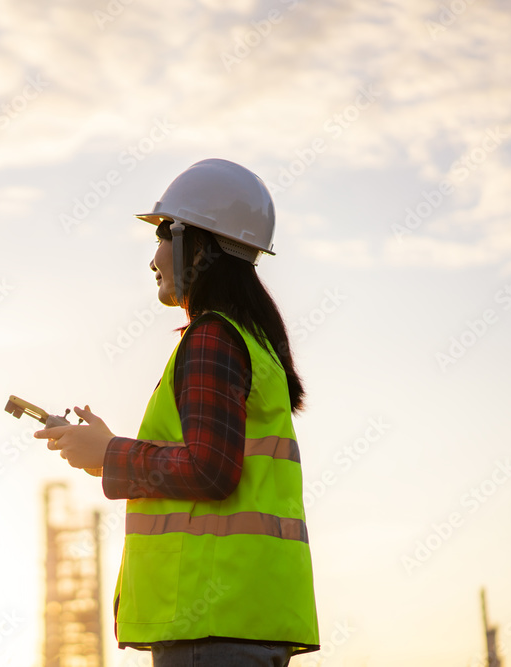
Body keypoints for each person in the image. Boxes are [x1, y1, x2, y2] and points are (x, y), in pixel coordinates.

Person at [33, 159, 320, 666]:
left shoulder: (212, 337)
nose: (154, 260)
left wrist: (112, 455)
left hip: (208, 625)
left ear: (198, 245)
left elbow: (211, 470)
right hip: (247, 617)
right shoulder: (253, 343)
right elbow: (217, 460)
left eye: (163, 236)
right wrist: (104, 454)